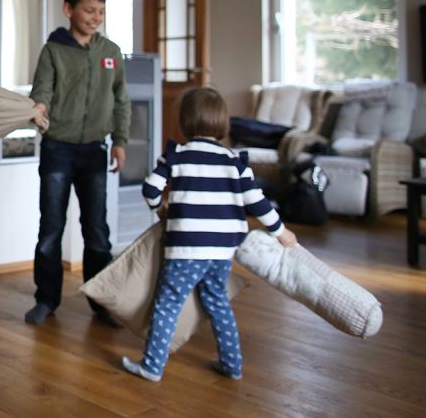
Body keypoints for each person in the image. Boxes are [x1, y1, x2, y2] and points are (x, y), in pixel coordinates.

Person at [122, 86, 298, 382]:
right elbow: (257, 202)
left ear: (185, 121)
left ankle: (152, 366)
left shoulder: (176, 155)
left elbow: (150, 189)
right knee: (217, 302)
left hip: (186, 248)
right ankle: (232, 365)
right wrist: (281, 231)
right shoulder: (234, 160)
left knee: (168, 304)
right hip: (222, 250)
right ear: (222, 122)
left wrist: (161, 209)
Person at [26, 0, 129, 326]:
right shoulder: (53, 50)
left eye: (101, 10)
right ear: (68, 9)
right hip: (57, 149)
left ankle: (101, 302)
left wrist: (121, 141)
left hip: (94, 153)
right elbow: (43, 90)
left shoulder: (111, 53)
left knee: (97, 231)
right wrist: (39, 107)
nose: (96, 16)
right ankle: (46, 299)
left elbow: (121, 101)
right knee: (51, 228)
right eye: (89, 9)